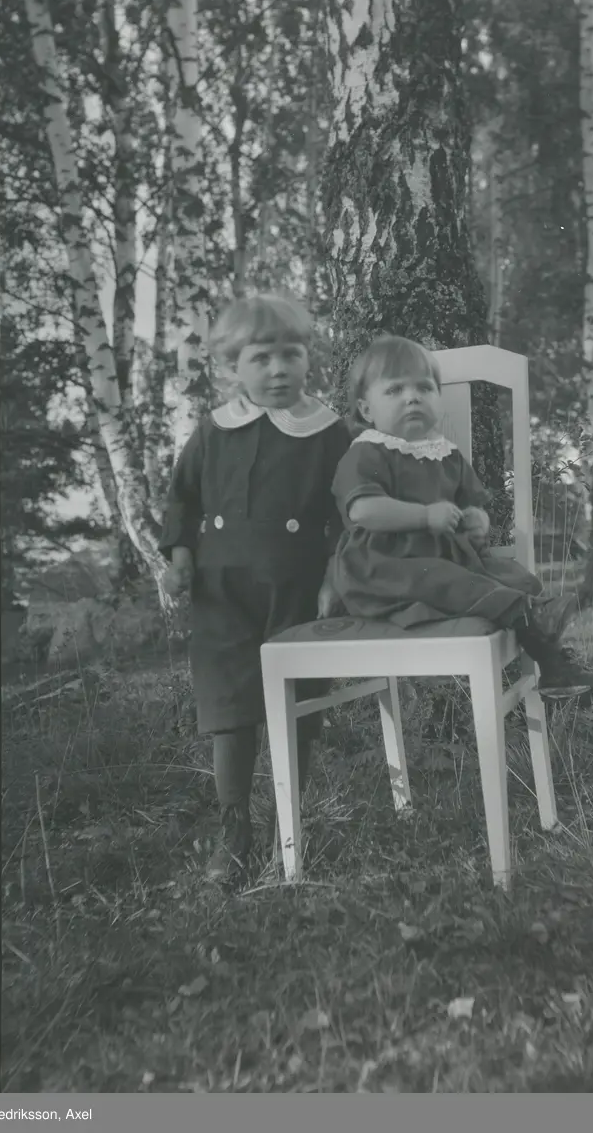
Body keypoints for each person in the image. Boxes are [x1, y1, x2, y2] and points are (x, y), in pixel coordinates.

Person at [159, 294, 351, 882]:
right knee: (230, 705)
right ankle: (233, 829)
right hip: (222, 590)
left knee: (294, 705)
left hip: (297, 587)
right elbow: (183, 498)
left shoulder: (326, 431)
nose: (278, 369)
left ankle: (285, 829)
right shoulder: (215, 430)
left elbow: (348, 514)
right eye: (261, 358)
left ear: (308, 358)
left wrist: (335, 577)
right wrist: (180, 558)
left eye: (291, 355)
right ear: (231, 367)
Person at [330, 335, 593, 699]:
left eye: (424, 388)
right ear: (367, 410)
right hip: (384, 567)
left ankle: (554, 665)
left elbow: (471, 504)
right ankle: (540, 631)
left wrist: (478, 522)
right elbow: (363, 510)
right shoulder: (368, 451)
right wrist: (425, 516)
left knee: (517, 578)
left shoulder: (445, 455)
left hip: (444, 561)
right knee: (450, 579)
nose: (412, 397)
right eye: (395, 390)